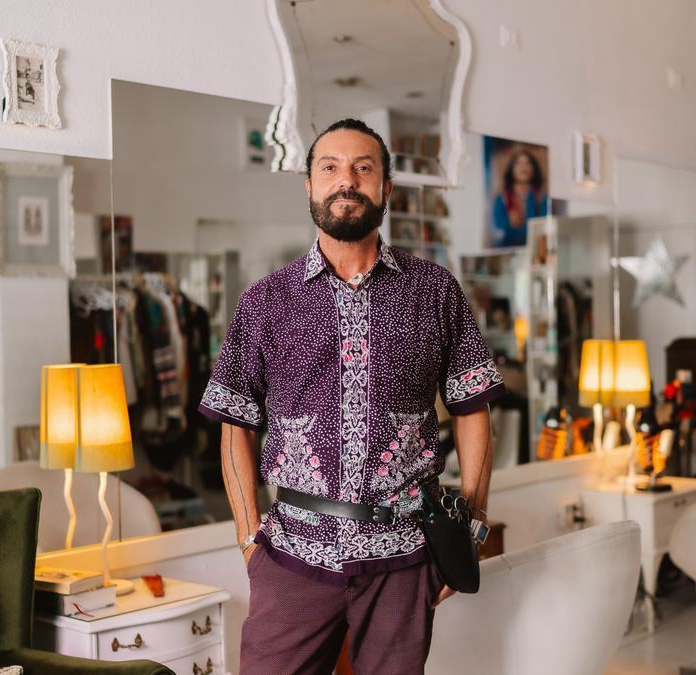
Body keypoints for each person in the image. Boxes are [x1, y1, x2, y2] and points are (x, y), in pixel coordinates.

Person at [199, 118, 502, 674]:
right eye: (330, 168)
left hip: (405, 559)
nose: (347, 181)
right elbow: (235, 423)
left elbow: (473, 409)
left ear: (386, 188)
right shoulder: (265, 301)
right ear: (309, 186)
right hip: (291, 555)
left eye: (364, 168)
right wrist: (249, 541)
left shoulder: (434, 290)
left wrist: (469, 530)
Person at [490, 148, 549, 247]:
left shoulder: (542, 199)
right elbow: (496, 230)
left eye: (527, 163)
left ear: (533, 169)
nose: (523, 168)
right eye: (518, 163)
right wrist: (508, 222)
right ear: (512, 169)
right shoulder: (501, 200)